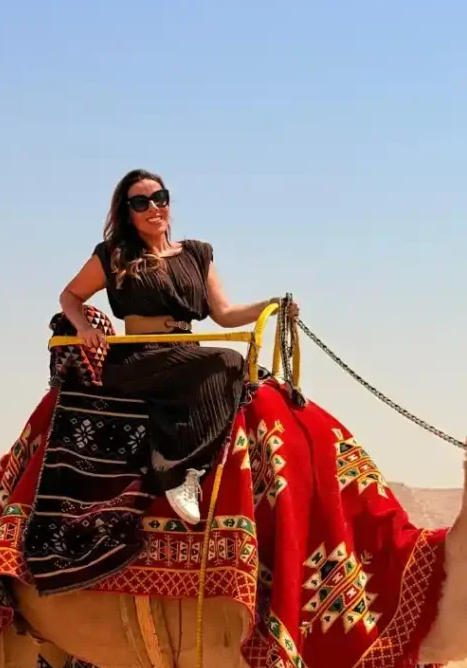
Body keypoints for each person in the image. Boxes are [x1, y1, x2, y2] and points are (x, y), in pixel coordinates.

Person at [59, 168, 297, 524]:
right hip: (140, 357)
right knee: (227, 361)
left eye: (160, 198)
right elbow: (70, 296)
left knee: (234, 368)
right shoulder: (114, 255)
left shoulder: (198, 254)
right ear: (128, 212)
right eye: (141, 202)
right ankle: (180, 473)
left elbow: (226, 314)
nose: (154, 207)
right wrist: (82, 329)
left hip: (185, 353)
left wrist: (272, 304)